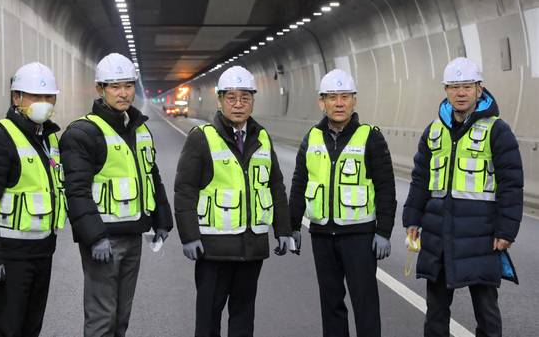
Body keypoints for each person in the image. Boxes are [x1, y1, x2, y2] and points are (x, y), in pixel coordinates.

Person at [403, 57, 523, 337]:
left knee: (486, 312)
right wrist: (412, 218)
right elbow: (420, 179)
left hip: (480, 238)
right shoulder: (433, 131)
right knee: (435, 312)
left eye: (467, 87)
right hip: (438, 237)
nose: (460, 93)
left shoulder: (497, 130)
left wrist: (506, 230)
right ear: (445, 90)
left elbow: (511, 184)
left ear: (479, 90)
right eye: (454, 87)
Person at [60, 53, 173, 337]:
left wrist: (162, 219)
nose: (123, 93)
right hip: (104, 239)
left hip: (133, 234)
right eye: (114, 86)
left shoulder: (138, 128)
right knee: (102, 317)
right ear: (100, 90)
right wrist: (95, 236)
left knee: (122, 316)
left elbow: (151, 176)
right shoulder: (83, 132)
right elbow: (76, 190)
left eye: (128, 85)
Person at [174, 65, 292, 337]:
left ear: (252, 100)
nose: (238, 104)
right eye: (231, 98)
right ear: (220, 100)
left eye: (245, 98)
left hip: (252, 248)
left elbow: (276, 186)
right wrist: (189, 236)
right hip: (213, 249)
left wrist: (283, 230)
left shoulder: (262, 137)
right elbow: (185, 190)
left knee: (243, 318)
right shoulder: (202, 138)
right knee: (208, 319)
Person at [289, 69, 396, 337]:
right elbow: (299, 185)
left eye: (345, 97)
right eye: (332, 97)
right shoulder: (310, 139)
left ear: (354, 102)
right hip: (322, 235)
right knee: (330, 303)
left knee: (365, 304)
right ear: (321, 102)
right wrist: (291, 226)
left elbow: (385, 188)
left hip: (359, 235)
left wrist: (383, 232)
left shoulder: (371, 137)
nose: (339, 103)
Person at [0, 62, 66, 337]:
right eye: (36, 96)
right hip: (9, 257)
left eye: (49, 97)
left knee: (30, 329)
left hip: (42, 253)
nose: (44, 103)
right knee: (6, 330)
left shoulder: (48, 138)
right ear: (17, 98)